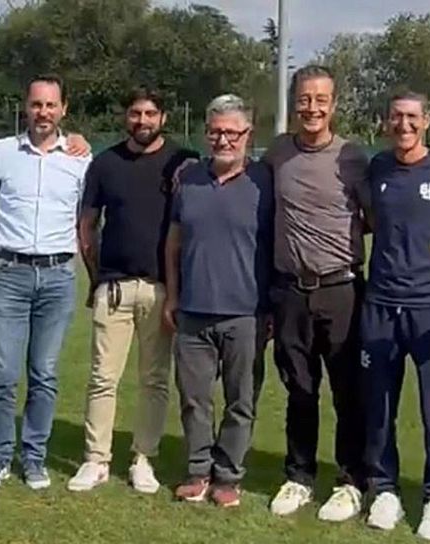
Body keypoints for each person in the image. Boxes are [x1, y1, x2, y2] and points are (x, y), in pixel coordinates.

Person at [68, 87, 199, 492]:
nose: (142, 121)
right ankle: (96, 459)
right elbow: (87, 225)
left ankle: (144, 458)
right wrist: (95, 279)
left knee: (154, 380)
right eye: (135, 113)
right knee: (102, 379)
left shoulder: (182, 162)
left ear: (163, 117)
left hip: (161, 289)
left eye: (150, 113)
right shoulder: (105, 163)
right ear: (126, 116)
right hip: (115, 288)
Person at [359, 90, 430, 540]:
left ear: (427, 121)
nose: (403, 125)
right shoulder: (378, 168)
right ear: (386, 122)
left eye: (411, 117)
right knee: (379, 404)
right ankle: (383, 488)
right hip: (380, 302)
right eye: (395, 117)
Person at [265, 65, 370, 522]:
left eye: (320, 99)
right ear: (294, 102)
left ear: (334, 104)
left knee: (349, 392)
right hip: (290, 291)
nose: (312, 108)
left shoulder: (353, 157)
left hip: (341, 288)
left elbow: (375, 219)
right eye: (304, 99)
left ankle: (351, 482)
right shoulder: (276, 154)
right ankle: (299, 476)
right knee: (299, 390)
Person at [0, 74, 90, 491]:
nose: (43, 112)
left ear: (63, 110)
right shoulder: (2, 153)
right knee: (3, 373)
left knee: (43, 372)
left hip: (58, 276)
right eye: (36, 104)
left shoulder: (81, 158)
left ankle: (34, 458)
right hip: (9, 275)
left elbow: (86, 221)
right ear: (26, 106)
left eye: (51, 105)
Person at [165, 94, 273, 508]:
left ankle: (228, 476)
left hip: (245, 312)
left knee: (240, 401)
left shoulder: (264, 181)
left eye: (233, 132)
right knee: (194, 399)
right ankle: (197, 472)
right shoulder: (188, 178)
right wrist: (173, 295)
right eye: (216, 132)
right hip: (192, 309)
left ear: (249, 134)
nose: (224, 140)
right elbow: (173, 242)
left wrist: (271, 310)